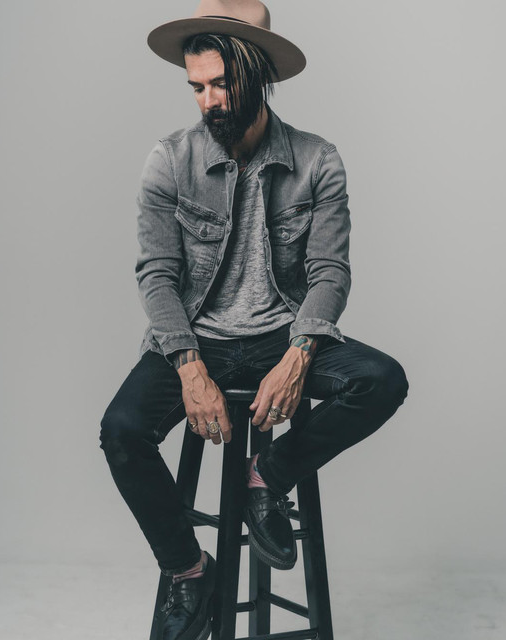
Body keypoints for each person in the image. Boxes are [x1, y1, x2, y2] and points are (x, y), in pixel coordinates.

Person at [99, 1, 409, 638]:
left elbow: (330, 273)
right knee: (121, 431)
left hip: (280, 334)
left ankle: (268, 476)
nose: (208, 101)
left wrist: (299, 355)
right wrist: (188, 367)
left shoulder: (317, 161)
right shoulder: (169, 159)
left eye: (220, 84)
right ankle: (189, 572)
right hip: (196, 338)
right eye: (197, 87)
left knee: (382, 380)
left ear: (257, 74)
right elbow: (157, 275)